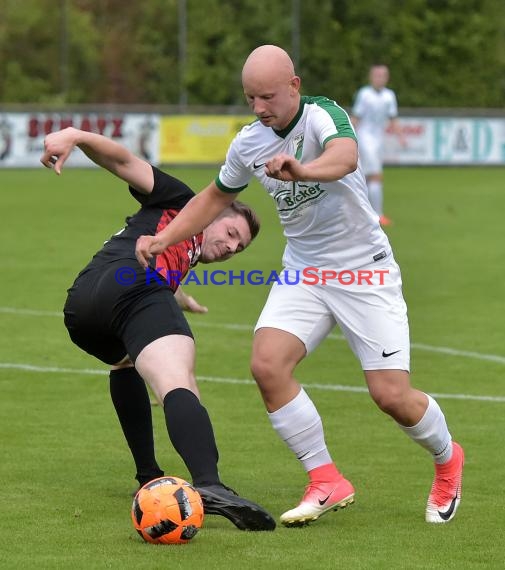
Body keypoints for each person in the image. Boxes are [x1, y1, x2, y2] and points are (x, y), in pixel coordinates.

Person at [134, 44, 464, 528]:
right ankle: (326, 479)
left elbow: (346, 157)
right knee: (267, 365)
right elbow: (214, 197)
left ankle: (447, 458)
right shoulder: (250, 142)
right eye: (250, 98)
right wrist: (165, 238)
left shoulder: (322, 115)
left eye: (267, 96)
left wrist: (303, 169)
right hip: (305, 271)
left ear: (295, 86)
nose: (259, 108)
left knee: (391, 395)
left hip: (363, 270)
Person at [40, 126, 276, 532]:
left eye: (240, 249)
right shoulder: (182, 199)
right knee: (178, 379)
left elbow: (166, 264)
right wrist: (76, 136)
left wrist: (179, 297)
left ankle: (147, 474)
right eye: (232, 233)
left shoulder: (182, 247)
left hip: (84, 307)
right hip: (132, 285)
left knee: (124, 364)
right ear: (213, 211)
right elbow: (122, 162)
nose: (232, 248)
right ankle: (209, 482)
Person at [351, 64, 406, 226]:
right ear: (371, 77)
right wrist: (347, 136)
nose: (379, 78)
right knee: (375, 176)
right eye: (377, 75)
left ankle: (364, 214)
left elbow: (393, 118)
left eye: (383, 75)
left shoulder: (389, 95)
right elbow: (356, 117)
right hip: (365, 139)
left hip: (378, 140)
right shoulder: (364, 94)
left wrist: (401, 136)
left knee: (367, 177)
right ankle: (378, 215)